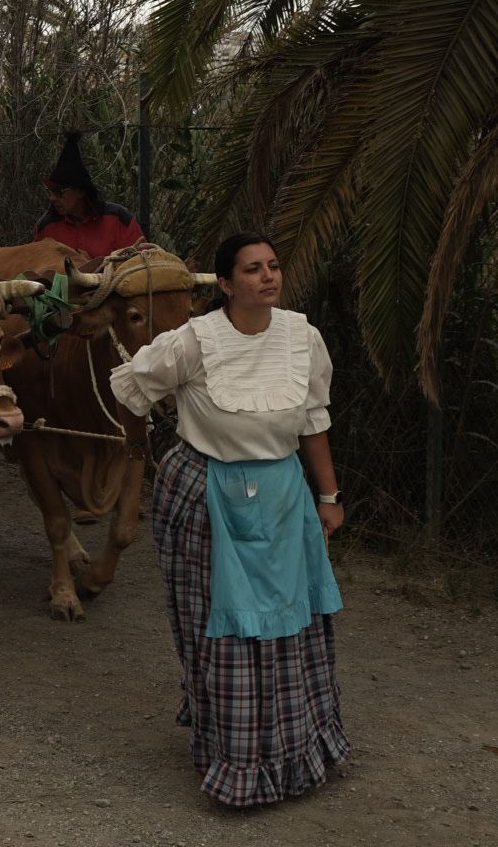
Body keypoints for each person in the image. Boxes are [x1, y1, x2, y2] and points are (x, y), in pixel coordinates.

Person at [109, 231, 347, 808]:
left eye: (272, 267)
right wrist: (166, 437)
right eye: (251, 270)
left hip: (283, 497)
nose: (267, 277)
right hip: (207, 496)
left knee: (292, 626)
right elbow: (133, 388)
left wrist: (330, 495)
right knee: (224, 629)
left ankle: (298, 753)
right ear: (224, 283)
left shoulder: (302, 337)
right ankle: (235, 761)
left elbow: (313, 421)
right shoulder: (193, 341)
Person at [33, 132, 145, 260]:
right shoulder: (47, 227)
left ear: (80, 191)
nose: (52, 198)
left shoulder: (117, 219)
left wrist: (92, 265)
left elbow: (142, 263)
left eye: (59, 192)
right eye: (51, 192)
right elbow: (37, 269)